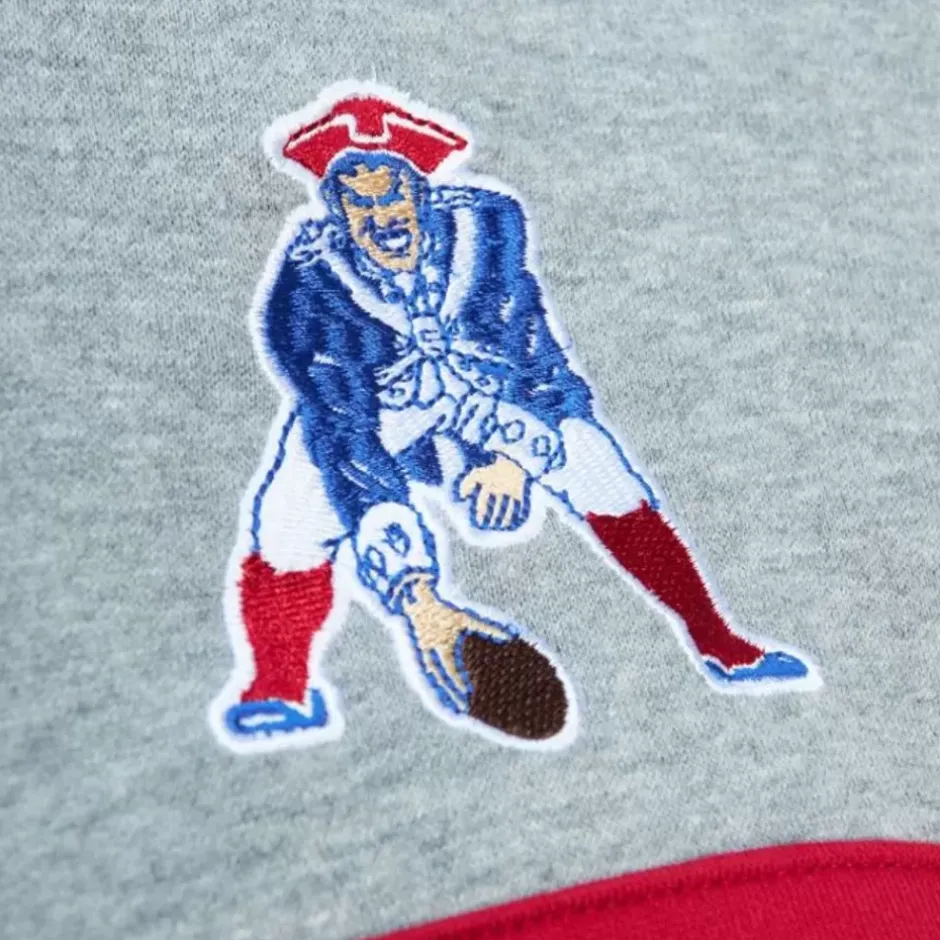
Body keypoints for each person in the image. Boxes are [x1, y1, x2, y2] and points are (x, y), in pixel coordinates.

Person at [210, 86, 818, 754]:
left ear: (422, 193)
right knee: (293, 504)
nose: (382, 217)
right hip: (380, 407)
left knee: (592, 459)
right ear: (337, 212)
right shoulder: (308, 284)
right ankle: (278, 684)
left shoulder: (487, 229)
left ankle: (718, 640)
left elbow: (532, 355)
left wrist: (511, 458)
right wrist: (417, 597)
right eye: (360, 203)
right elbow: (343, 427)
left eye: (393, 195)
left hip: (487, 391)